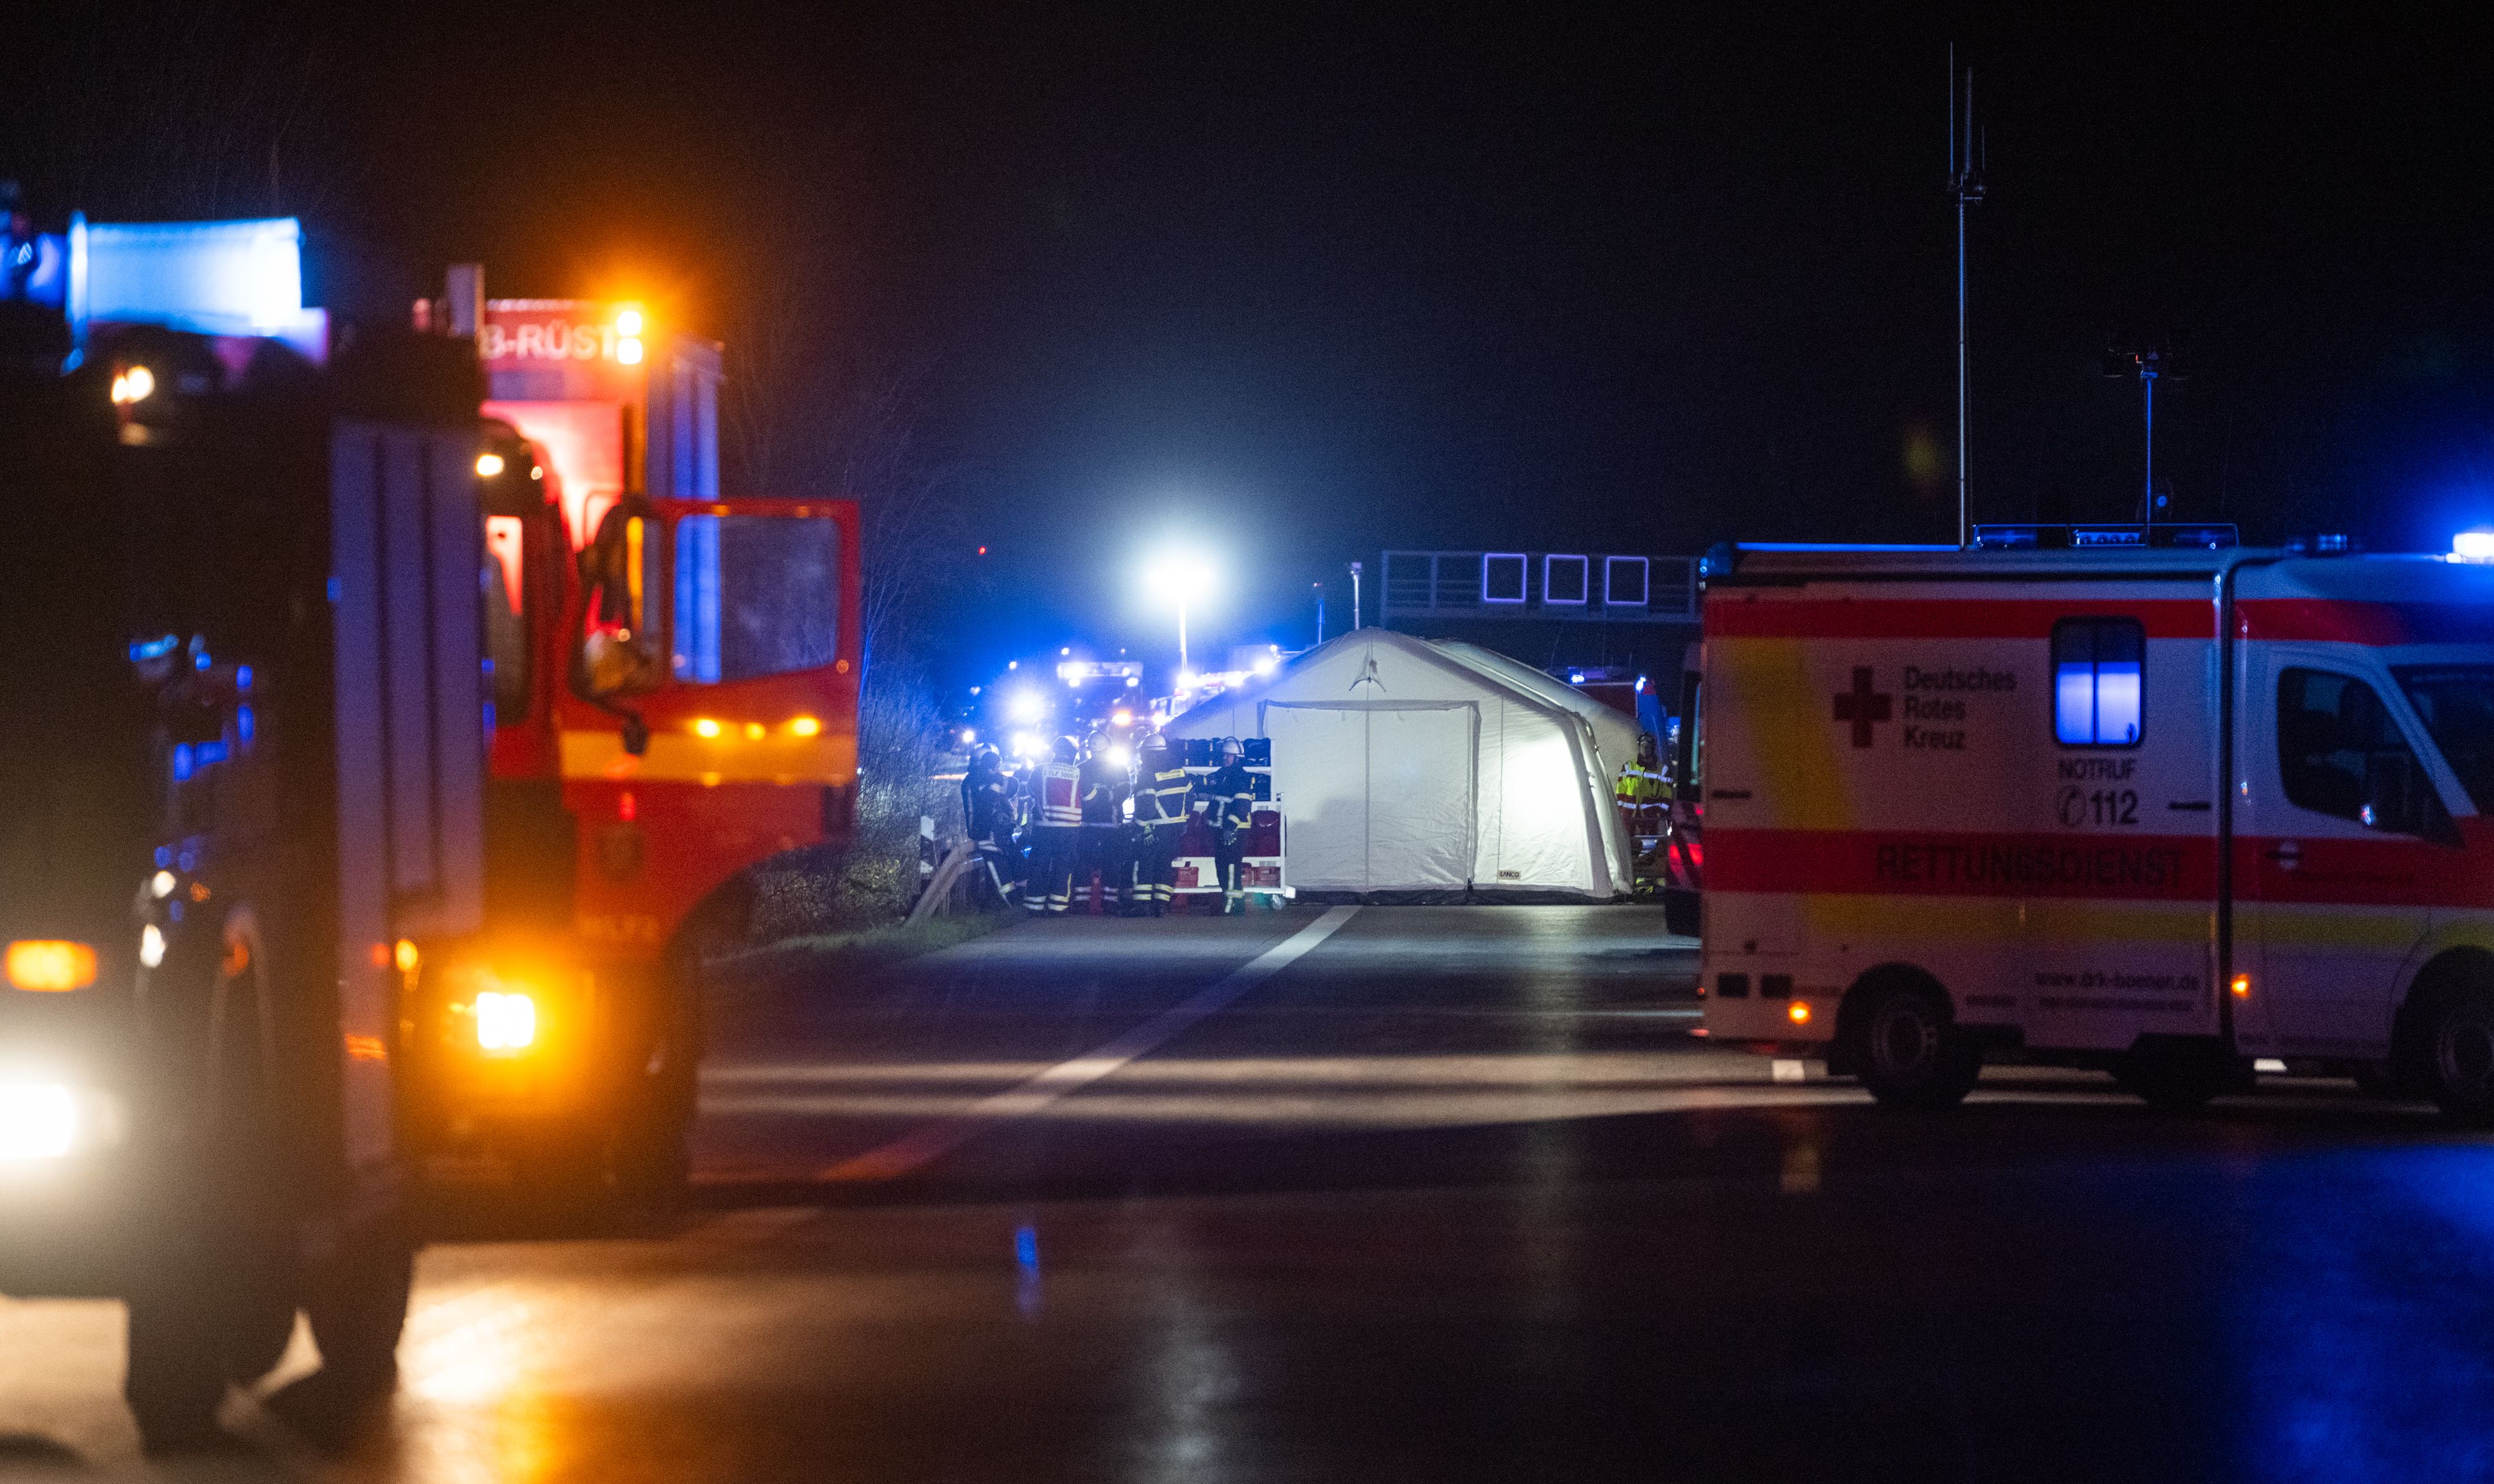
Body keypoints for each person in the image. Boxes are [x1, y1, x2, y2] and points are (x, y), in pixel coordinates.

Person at [1126, 732, 1193, 917]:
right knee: (1165, 866)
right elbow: (1191, 797)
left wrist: (1139, 827)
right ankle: (1161, 906)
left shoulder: (1148, 775)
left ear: (1151, 754)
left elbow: (1146, 808)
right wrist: (1183, 819)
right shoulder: (1180, 771)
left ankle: (1142, 906)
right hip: (1174, 830)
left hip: (1153, 829)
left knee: (1146, 865)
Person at [1075, 728, 1130, 913]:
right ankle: (1109, 904)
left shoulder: (1081, 768)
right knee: (1111, 864)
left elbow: (1122, 793)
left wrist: (1095, 797)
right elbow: (1122, 794)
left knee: (1084, 863)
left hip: (1088, 825)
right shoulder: (1118, 769)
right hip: (1109, 825)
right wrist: (1105, 796)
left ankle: (1081, 904)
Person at [1027, 736, 1084, 915]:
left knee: (1039, 864)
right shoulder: (1079, 773)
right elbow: (1090, 797)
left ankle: (1034, 906)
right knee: (1064, 865)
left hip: (1044, 826)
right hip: (1069, 828)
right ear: (1073, 754)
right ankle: (1057, 907)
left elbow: (1031, 791)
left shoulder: (1039, 770)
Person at [1204, 736, 1258, 915]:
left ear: (1237, 758)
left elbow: (1242, 806)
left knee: (1231, 867)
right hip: (1220, 829)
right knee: (1222, 866)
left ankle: (1232, 906)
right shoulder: (1221, 775)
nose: (1225, 758)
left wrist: (1229, 828)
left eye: (1229, 756)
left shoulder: (1241, 777)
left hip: (1235, 830)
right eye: (1225, 755)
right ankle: (1233, 902)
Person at [963, 745, 1021, 907]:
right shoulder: (975, 782)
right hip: (987, 833)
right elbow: (986, 803)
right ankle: (1010, 902)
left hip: (998, 831)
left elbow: (1012, 786)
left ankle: (1012, 900)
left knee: (1013, 863)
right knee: (1000, 868)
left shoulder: (976, 780)